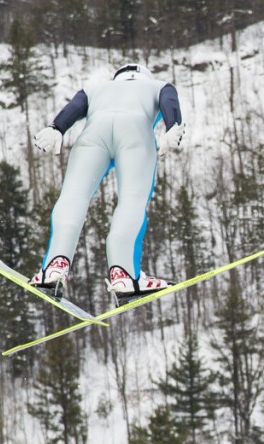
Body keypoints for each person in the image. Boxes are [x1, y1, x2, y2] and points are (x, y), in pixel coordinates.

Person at [31, 63, 185, 301]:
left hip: (93, 135)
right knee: (131, 201)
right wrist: (173, 124)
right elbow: (168, 100)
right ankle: (123, 274)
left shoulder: (96, 88)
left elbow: (75, 107)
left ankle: (54, 267)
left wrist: (56, 128)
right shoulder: (156, 86)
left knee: (74, 196)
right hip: (135, 135)